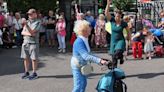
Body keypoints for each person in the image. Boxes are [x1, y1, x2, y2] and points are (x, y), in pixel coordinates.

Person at [71, 20, 108, 92]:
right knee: (78, 86)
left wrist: (100, 60)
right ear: (84, 30)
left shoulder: (84, 39)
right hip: (77, 65)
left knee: (83, 84)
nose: (90, 28)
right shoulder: (79, 41)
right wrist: (99, 60)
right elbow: (86, 56)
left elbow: (89, 53)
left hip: (82, 64)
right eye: (89, 27)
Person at [105, 0, 129, 66]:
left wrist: (129, 39)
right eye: (116, 16)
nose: (117, 17)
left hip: (120, 40)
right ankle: (114, 70)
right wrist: (108, 4)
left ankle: (121, 57)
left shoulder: (123, 23)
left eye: (118, 16)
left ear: (121, 16)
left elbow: (128, 32)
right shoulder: (112, 20)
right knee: (113, 58)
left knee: (117, 53)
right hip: (113, 41)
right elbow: (106, 13)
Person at [21, 9, 41, 80]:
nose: (29, 15)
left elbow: (32, 32)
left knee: (34, 59)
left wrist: (27, 26)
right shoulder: (27, 22)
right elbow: (22, 32)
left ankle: (34, 73)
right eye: (28, 14)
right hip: (25, 42)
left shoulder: (38, 22)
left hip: (33, 43)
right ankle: (27, 72)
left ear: (35, 14)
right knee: (25, 58)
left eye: (31, 14)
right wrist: (29, 33)